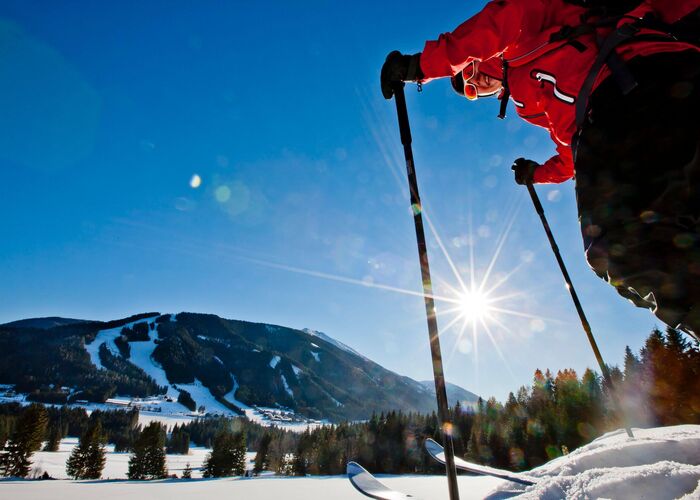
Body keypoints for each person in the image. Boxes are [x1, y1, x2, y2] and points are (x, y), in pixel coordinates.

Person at [381, 0, 700, 340]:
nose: (480, 85)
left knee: (620, 245)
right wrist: (537, 174)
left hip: (635, 90)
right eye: (474, 92)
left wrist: (422, 66)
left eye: (470, 73)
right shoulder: (527, 91)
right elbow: (571, 152)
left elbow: (503, 19)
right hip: (650, 98)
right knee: (673, 226)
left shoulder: (528, 39)